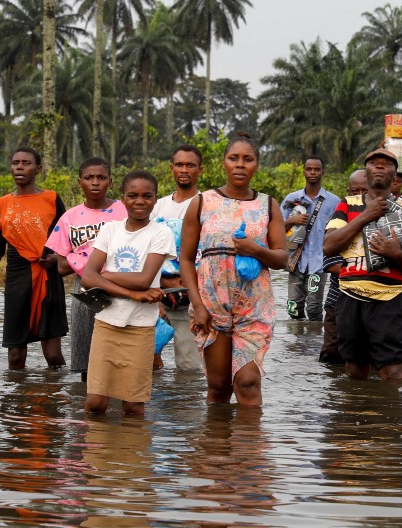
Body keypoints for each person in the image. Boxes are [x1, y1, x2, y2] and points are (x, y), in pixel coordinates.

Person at [181, 132, 287, 406]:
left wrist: (256, 250)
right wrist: (198, 305)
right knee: (218, 387)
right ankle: (215, 447)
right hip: (210, 304)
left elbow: (281, 259)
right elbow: (185, 258)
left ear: (256, 165)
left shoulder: (269, 205)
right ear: (224, 164)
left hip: (254, 305)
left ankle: (248, 448)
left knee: (248, 381)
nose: (240, 164)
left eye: (247, 159)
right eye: (234, 158)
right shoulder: (202, 202)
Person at [323, 146, 402, 381]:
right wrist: (366, 215)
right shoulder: (347, 205)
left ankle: (390, 416)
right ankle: (359, 412)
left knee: (393, 371)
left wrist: (395, 254)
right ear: (366, 171)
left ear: (395, 177)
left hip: (389, 298)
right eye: (374, 162)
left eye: (387, 163)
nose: (380, 166)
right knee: (354, 369)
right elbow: (329, 246)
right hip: (350, 296)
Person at [77, 170, 175, 417]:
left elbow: (143, 279)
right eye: (132, 195)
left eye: (146, 196)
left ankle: (131, 452)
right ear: (122, 199)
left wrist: (106, 275)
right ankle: (99, 453)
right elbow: (88, 278)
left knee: (133, 405)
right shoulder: (110, 229)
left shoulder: (160, 233)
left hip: (140, 327)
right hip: (106, 324)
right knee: (95, 403)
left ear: (155, 199)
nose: (139, 201)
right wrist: (133, 295)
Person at [0, 147, 68, 370]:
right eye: (16, 163)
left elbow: (65, 239)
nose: (20, 167)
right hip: (17, 281)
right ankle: (16, 399)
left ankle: (56, 399)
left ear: (38, 169)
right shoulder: (1, 204)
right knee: (15, 355)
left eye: (26, 163)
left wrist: (56, 259)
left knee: (53, 355)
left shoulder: (51, 199)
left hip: (48, 279)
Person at [45, 157, 126, 382]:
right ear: (79, 182)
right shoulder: (70, 217)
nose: (95, 182)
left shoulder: (123, 211)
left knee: (120, 351)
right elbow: (61, 267)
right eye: (89, 178)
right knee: (85, 355)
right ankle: (87, 406)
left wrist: (78, 258)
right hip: (85, 290)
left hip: (120, 283)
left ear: (111, 181)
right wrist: (85, 261)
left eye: (101, 177)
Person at [150, 144, 204, 372]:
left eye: (190, 165)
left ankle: (186, 408)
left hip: (192, 298)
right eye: (179, 165)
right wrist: (159, 284)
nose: (184, 169)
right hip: (156, 295)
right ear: (171, 168)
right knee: (149, 362)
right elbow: (145, 250)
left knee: (189, 368)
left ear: (199, 170)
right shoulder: (156, 206)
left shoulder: (207, 204)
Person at [280, 156, 340, 321]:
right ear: (304, 172)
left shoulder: (333, 201)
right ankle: (297, 344)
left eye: (316, 169)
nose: (313, 172)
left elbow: (342, 232)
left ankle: (313, 344)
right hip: (296, 261)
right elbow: (276, 229)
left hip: (319, 263)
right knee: (293, 309)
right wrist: (291, 221)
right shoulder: (291, 200)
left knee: (314, 309)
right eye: (309, 169)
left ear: (323, 172)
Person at [319, 170, 368, 365]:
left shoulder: (383, 216)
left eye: (364, 190)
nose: (359, 196)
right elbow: (331, 264)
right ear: (347, 192)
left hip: (372, 300)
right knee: (333, 352)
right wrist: (367, 271)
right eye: (354, 191)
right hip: (339, 299)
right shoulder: (339, 219)